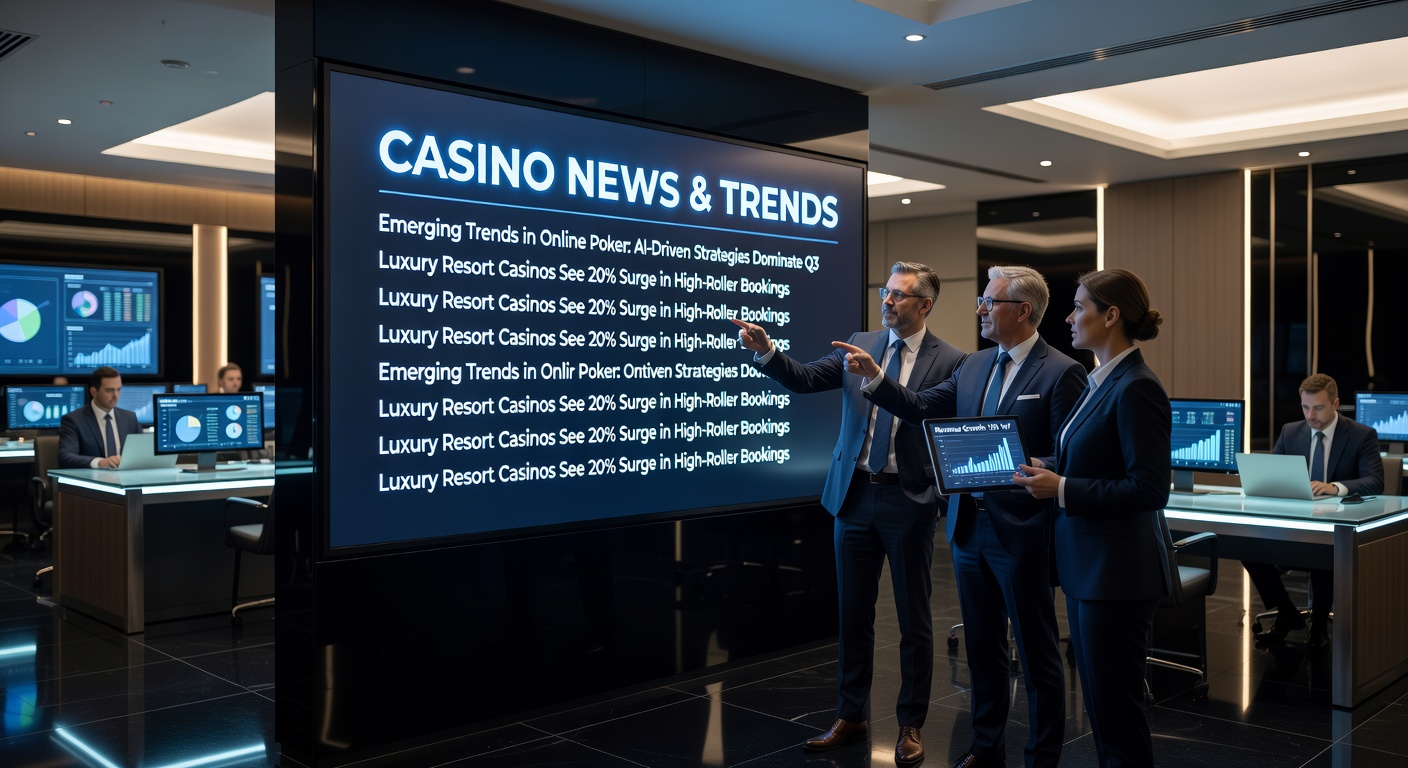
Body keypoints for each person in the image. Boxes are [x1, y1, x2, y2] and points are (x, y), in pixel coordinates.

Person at [837, 265, 1084, 768]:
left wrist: (1042, 465)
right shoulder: (973, 366)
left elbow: (1073, 456)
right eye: (981, 299)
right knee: (984, 652)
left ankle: (1041, 757)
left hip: (1023, 532)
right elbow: (919, 406)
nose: (980, 310)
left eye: (990, 302)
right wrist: (878, 378)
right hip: (969, 530)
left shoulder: (1061, 371)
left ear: (1023, 311)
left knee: (1037, 657)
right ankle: (986, 747)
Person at [731, 261, 966, 767]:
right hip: (854, 496)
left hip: (908, 500)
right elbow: (807, 378)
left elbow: (921, 408)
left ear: (924, 304)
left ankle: (910, 724)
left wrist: (878, 378)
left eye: (901, 295)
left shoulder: (951, 360)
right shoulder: (863, 340)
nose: (889, 301)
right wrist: (766, 350)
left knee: (913, 620)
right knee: (853, 614)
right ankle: (851, 714)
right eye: (886, 291)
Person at [1011, 268, 1171, 768]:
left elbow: (1148, 488)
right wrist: (1052, 467)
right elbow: (1099, 462)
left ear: (1112, 315)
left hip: (1116, 574)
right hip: (1089, 569)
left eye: (1079, 306)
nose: (1069, 316)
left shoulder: (1136, 386)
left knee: (1116, 714)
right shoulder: (1101, 381)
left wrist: (1061, 489)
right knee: (1103, 710)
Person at [1243, 374, 1382, 648]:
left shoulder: (1361, 435)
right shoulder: (1290, 432)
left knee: (1321, 554)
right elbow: (1271, 473)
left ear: (1336, 404)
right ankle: (1287, 613)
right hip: (1294, 524)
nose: (1310, 415)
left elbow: (1375, 480)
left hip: (1334, 530)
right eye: (1305, 407)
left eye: (1318, 408)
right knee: (1246, 546)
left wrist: (1335, 487)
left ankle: (1319, 626)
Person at [58, 366, 141, 469]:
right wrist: (100, 462)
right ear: (94, 392)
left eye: (118, 389)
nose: (116, 396)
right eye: (109, 390)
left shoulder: (129, 418)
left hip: (127, 479)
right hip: (90, 481)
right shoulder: (74, 420)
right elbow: (65, 457)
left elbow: (143, 453)